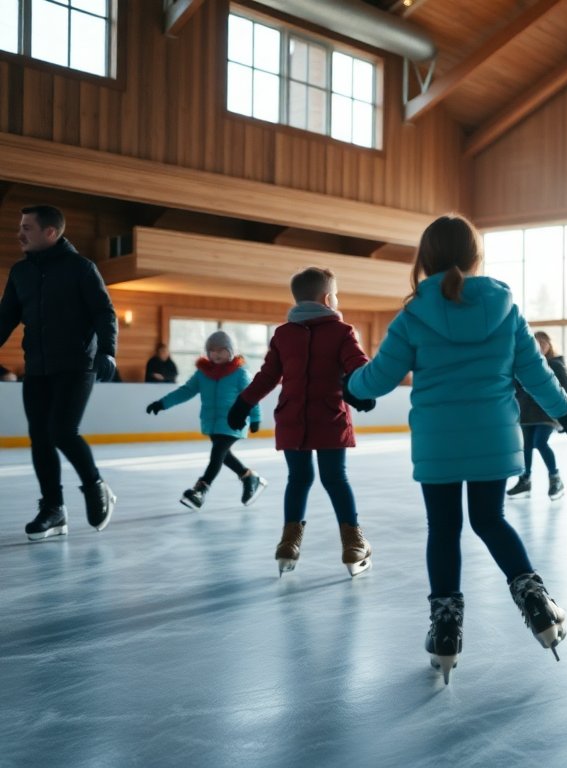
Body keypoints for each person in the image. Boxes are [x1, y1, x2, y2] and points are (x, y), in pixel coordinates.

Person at [346, 215, 567, 682]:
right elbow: (536, 373)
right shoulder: (506, 309)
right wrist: (565, 411)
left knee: (445, 527)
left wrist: (351, 386)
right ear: (475, 257)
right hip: (494, 438)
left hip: (438, 443)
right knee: (490, 520)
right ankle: (536, 599)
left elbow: (377, 377)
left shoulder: (414, 314)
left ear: (425, 259)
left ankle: (446, 627)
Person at [227, 267, 375, 577]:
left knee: (298, 479)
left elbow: (268, 376)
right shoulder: (343, 331)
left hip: (292, 418)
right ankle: (352, 543)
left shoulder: (283, 334)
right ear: (328, 298)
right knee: (335, 479)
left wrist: (244, 402)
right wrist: (362, 390)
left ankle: (288, 543)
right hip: (330, 418)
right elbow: (358, 366)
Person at [1, 205, 117, 541]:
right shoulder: (20, 273)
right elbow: (5, 317)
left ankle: (94, 485)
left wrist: (108, 350)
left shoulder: (81, 268)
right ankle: (53, 510)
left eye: (27, 227)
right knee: (40, 437)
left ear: (50, 232)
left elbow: (103, 312)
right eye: (20, 227)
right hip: (37, 367)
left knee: (62, 431)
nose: (19, 233)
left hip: (77, 365)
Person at [145, 331, 267, 509]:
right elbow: (185, 391)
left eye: (222, 350)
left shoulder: (239, 373)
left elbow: (251, 395)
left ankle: (201, 489)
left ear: (231, 351)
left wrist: (255, 418)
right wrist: (162, 403)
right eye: (212, 350)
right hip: (212, 422)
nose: (216, 354)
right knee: (223, 456)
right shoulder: (203, 374)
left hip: (234, 421)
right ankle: (249, 477)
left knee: (217, 454)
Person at [507, 331, 567, 501]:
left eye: (544, 343)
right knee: (527, 446)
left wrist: (561, 409)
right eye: (537, 342)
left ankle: (555, 479)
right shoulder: (524, 364)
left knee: (540, 442)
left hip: (547, 414)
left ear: (550, 345)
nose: (541, 346)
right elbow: (514, 387)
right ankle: (525, 480)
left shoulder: (555, 365)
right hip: (526, 413)